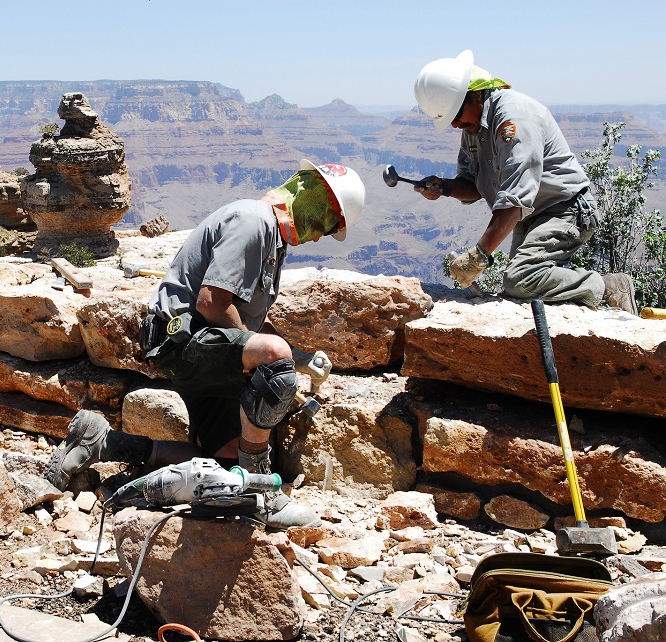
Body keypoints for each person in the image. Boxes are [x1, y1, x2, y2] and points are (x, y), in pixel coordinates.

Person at [45, 159, 366, 530]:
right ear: (308, 193)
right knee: (274, 360)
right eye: (328, 219)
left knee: (222, 469)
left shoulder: (272, 239)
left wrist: (296, 357)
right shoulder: (254, 221)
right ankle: (260, 494)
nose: (323, 233)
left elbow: (245, 319)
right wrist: (272, 362)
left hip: (204, 343)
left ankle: (101, 441)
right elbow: (212, 303)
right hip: (182, 338)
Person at [412, 49, 637, 315]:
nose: (455, 125)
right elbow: (474, 185)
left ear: (474, 95)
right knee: (518, 289)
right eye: (450, 119)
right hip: (532, 216)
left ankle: (609, 287)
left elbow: (515, 198)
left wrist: (477, 256)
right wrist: (444, 187)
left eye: (456, 115)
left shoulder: (513, 117)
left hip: (565, 209)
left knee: (520, 279)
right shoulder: (473, 126)